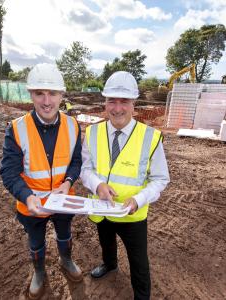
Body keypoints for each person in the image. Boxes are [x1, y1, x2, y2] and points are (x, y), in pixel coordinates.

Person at [80, 71, 170, 300]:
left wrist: (138, 200)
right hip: (101, 209)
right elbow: (85, 169)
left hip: (132, 215)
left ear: (134, 104)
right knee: (106, 242)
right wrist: (98, 185)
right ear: (105, 102)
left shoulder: (150, 137)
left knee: (138, 260)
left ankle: (142, 296)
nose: (117, 108)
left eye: (124, 101)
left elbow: (160, 178)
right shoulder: (92, 132)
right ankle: (110, 265)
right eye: (112, 100)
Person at [0, 63, 82, 299]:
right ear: (31, 95)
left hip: (63, 199)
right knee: (35, 241)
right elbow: (8, 172)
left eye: (52, 93)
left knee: (64, 233)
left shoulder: (73, 125)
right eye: (39, 94)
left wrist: (67, 184)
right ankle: (38, 271)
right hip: (31, 204)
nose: (47, 101)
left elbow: (76, 162)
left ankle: (66, 260)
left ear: (61, 95)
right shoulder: (16, 129)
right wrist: (27, 197)